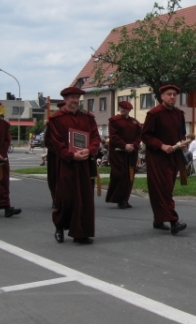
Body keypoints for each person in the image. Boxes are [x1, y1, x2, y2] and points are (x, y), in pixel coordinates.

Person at [46, 87, 101, 244]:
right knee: (66, 198)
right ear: (65, 99)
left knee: (84, 199)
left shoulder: (88, 118)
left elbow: (96, 138)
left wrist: (90, 150)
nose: (75, 100)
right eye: (72, 98)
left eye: (77, 98)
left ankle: (81, 233)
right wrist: (71, 155)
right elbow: (56, 142)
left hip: (84, 164)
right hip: (66, 164)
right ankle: (60, 226)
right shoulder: (56, 119)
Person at [141, 85, 188, 235]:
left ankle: (159, 219)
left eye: (174, 94)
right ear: (162, 96)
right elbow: (146, 136)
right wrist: (161, 145)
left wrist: (183, 143)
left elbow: (182, 133)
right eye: (169, 94)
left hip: (173, 156)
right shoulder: (154, 114)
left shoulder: (179, 114)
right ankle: (174, 221)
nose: (172, 97)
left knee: (167, 187)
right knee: (161, 189)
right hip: (157, 157)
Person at [106, 101, 142, 209]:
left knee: (129, 176)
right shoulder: (114, 121)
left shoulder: (135, 122)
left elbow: (139, 135)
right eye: (121, 108)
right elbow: (114, 136)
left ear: (129, 110)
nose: (123, 110)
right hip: (118, 153)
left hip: (131, 153)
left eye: (125, 108)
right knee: (120, 174)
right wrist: (124, 145)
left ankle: (125, 199)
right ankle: (117, 198)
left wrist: (134, 145)